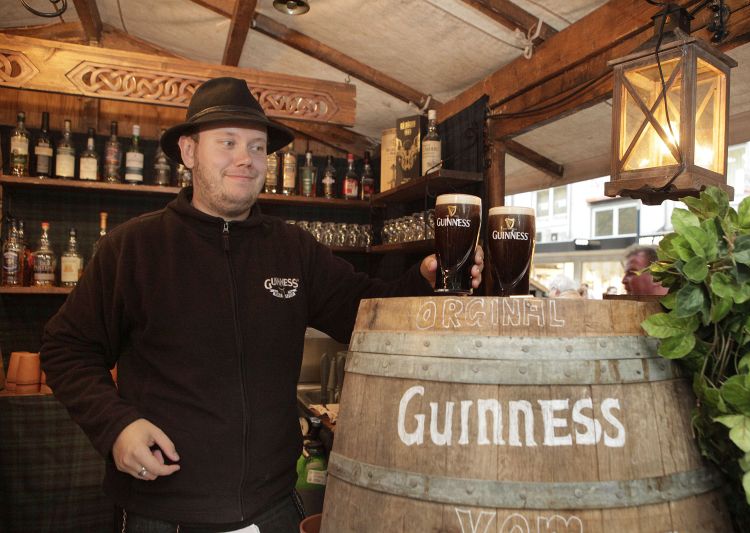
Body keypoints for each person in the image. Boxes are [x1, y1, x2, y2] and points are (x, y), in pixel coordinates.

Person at [39, 77, 483, 533]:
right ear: (189, 152)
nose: (245, 158)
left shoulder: (292, 248)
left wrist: (425, 279)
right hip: (162, 510)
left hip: (273, 507)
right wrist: (115, 426)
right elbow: (65, 348)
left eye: (256, 147)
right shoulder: (133, 248)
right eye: (227, 142)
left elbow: (367, 314)